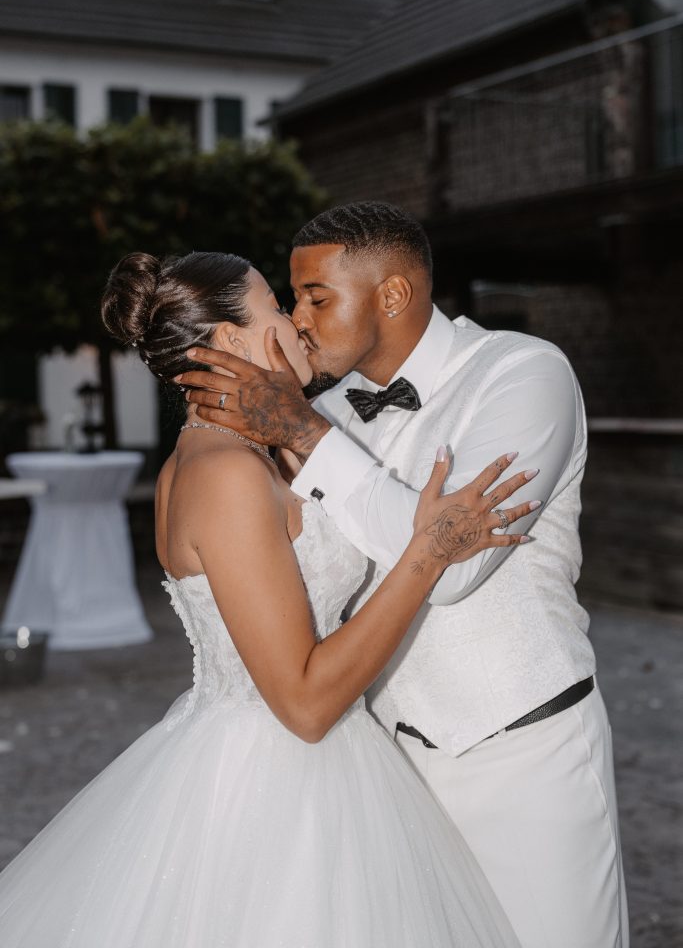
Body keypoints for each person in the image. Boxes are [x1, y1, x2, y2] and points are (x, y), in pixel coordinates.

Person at [0, 249, 537, 947]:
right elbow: (305, 705)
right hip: (273, 783)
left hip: (326, 767)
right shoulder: (223, 473)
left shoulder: (255, 454)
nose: (296, 322)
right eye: (277, 307)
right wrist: (429, 552)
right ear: (232, 338)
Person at [179, 203, 629, 948]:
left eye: (316, 298)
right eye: (292, 301)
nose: (298, 322)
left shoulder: (523, 373)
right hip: (381, 772)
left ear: (391, 294)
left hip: (522, 752)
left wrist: (303, 435)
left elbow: (456, 570)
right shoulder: (319, 410)